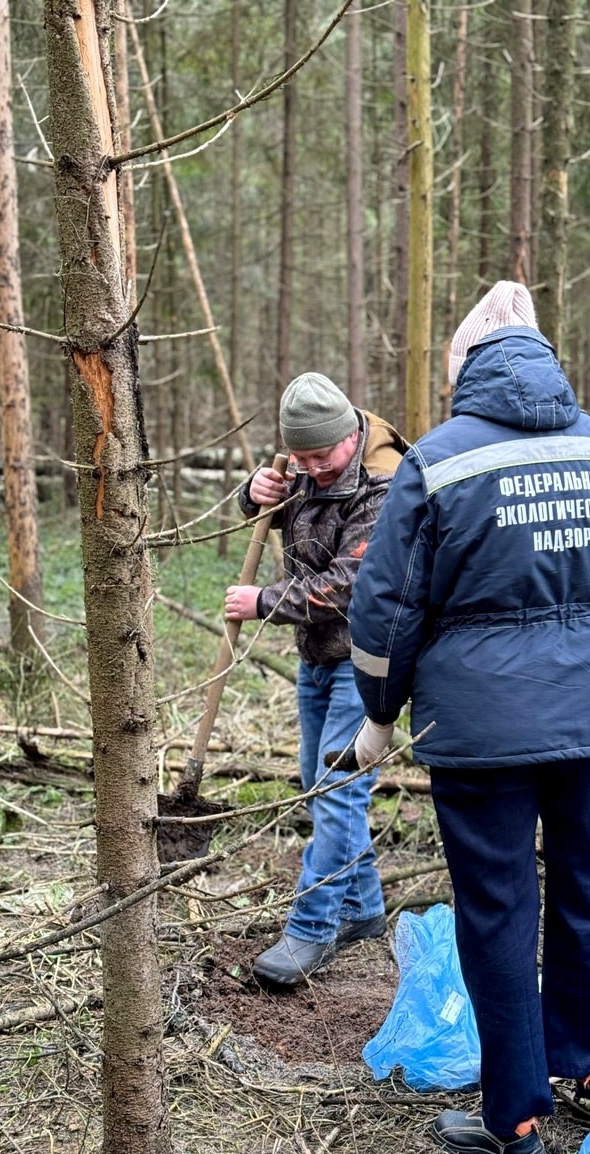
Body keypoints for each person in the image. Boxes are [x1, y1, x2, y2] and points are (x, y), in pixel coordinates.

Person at [346, 282, 590, 1154]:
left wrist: (378, 712)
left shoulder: (437, 462)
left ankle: (516, 1122)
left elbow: (387, 608)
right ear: (543, 357)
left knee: (497, 909)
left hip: (480, 729)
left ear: (467, 368)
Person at [224, 371, 407, 988]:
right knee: (319, 782)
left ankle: (312, 926)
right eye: (299, 458)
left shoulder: (383, 484)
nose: (311, 468)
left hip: (367, 662)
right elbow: (272, 513)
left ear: (349, 435)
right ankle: (362, 908)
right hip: (318, 656)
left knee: (336, 790)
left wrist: (263, 601)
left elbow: (350, 584)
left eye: (322, 456)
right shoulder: (305, 467)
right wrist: (254, 494)